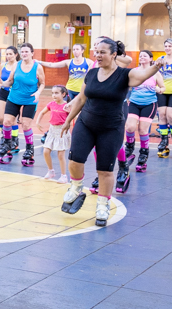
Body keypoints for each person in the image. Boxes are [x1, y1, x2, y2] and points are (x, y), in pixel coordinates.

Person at [61, 38, 163, 226]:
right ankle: (76, 187)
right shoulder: (91, 73)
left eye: (102, 52)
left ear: (114, 54)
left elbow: (142, 75)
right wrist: (68, 120)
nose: (97, 55)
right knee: (75, 160)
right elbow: (81, 98)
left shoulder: (125, 75)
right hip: (85, 123)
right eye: (96, 52)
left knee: (104, 170)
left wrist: (156, 66)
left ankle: (102, 205)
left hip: (111, 128)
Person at [0, 43, 45, 166]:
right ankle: (7, 144)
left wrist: (38, 92)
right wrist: (1, 84)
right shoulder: (16, 65)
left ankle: (29, 149)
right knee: (7, 121)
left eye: (26, 51)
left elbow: (43, 83)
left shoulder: (37, 67)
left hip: (30, 99)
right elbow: (10, 81)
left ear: (32, 53)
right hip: (14, 97)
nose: (24, 54)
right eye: (22, 52)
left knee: (25, 125)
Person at [125, 50, 163, 173]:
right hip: (134, 102)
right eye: (140, 56)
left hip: (149, 104)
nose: (141, 57)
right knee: (130, 127)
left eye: (144, 56)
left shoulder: (156, 72)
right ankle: (129, 149)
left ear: (151, 58)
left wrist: (159, 89)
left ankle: (143, 156)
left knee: (142, 130)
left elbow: (163, 87)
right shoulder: (135, 71)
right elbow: (127, 83)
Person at [33, 86, 71, 183]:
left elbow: (74, 117)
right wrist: (37, 122)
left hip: (62, 131)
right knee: (46, 151)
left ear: (63, 94)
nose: (54, 95)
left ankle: (64, 176)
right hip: (52, 131)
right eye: (52, 93)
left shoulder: (67, 106)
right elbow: (42, 112)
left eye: (56, 93)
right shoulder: (51, 104)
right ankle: (51, 171)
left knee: (61, 155)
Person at [0, 46, 19, 160]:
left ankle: (14, 140)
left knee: (11, 119)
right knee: (0, 118)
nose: (8, 56)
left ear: (16, 54)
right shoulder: (3, 65)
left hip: (14, 93)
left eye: (10, 54)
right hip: (3, 92)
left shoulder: (19, 66)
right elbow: (1, 78)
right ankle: (4, 136)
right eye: (7, 54)